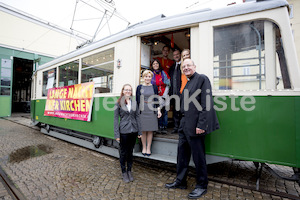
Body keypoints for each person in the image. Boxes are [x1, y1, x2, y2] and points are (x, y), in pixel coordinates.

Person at [165, 59, 219, 199]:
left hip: (196, 126)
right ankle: (180, 181)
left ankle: (201, 186)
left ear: (194, 67)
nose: (186, 68)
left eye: (188, 65)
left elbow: (206, 103)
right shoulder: (188, 82)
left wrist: (201, 124)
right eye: (183, 66)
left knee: (198, 157)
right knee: (181, 155)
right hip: (184, 124)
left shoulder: (202, 79)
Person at [114, 84, 141, 183]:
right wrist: (117, 135)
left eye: (129, 90)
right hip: (124, 132)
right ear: (123, 91)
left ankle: (129, 171)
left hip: (133, 131)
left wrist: (140, 131)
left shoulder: (134, 103)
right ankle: (124, 172)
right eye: (126, 90)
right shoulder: (118, 103)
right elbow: (116, 119)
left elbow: (138, 116)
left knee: (130, 152)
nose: (128, 91)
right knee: (123, 153)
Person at [136, 70, 162, 156]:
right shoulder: (139, 87)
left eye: (149, 76)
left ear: (151, 78)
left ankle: (148, 148)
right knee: (143, 130)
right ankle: (144, 147)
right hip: (142, 110)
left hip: (152, 110)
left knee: (150, 130)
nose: (148, 78)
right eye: (146, 76)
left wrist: (158, 110)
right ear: (143, 77)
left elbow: (156, 100)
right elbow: (137, 101)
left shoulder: (154, 87)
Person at [150, 59, 170, 134]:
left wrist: (164, 95)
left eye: (157, 63)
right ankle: (158, 127)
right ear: (152, 65)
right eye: (154, 63)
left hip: (165, 95)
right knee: (157, 111)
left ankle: (164, 127)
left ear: (159, 64)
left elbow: (168, 84)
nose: (155, 65)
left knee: (165, 112)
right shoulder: (151, 74)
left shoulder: (164, 73)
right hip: (155, 96)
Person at [169, 49, 181, 134]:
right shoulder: (172, 67)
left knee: (182, 111)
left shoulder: (183, 66)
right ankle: (176, 127)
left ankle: (181, 128)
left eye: (177, 54)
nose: (176, 56)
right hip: (173, 92)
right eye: (174, 55)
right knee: (175, 111)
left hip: (181, 93)